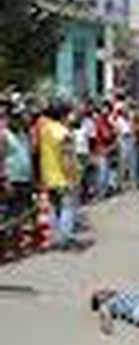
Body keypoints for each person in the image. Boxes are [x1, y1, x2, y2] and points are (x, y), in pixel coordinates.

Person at [39, 101, 78, 248]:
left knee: (54, 209)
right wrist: (71, 178)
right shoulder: (63, 133)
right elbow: (66, 157)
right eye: (70, 113)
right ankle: (64, 239)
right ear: (63, 115)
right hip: (62, 177)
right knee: (67, 207)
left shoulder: (45, 130)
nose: (72, 117)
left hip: (48, 175)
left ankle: (55, 238)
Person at [2, 104, 33, 222]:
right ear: (9, 118)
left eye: (20, 117)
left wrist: (32, 178)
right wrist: (4, 180)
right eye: (15, 117)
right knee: (11, 214)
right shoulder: (4, 135)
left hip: (25, 179)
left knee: (21, 214)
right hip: (11, 180)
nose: (19, 120)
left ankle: (17, 238)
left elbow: (28, 156)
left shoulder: (24, 134)